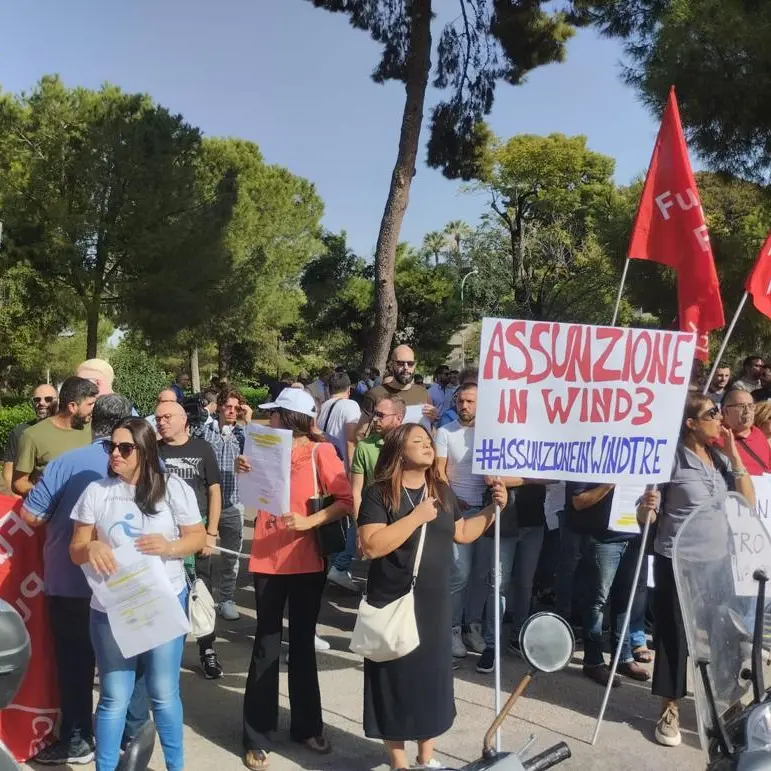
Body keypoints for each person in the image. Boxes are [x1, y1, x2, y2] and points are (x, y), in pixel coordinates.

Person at [358, 424, 506, 770]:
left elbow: (463, 533)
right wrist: (415, 518)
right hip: (394, 600)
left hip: (436, 604)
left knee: (431, 681)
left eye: (428, 441)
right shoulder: (380, 493)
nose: (427, 446)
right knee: (393, 679)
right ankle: (399, 762)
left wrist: (493, 510)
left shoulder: (441, 490)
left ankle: (427, 758)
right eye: (418, 441)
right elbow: (372, 544)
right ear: (398, 450)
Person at [69, 418, 206, 771]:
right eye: (110, 447)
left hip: (164, 599)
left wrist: (171, 546)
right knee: (115, 696)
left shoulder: (173, 489)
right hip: (112, 606)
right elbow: (76, 548)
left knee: (163, 693)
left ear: (145, 451)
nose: (115, 453)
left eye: (124, 448)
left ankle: (176, 766)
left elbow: (198, 538)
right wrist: (93, 546)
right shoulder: (96, 492)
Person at [241, 388, 353, 771]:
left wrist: (308, 522)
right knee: (265, 644)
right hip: (266, 558)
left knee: (302, 643)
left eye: (274, 413)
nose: (269, 419)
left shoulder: (321, 452)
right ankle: (257, 735)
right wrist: (244, 472)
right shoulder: (263, 448)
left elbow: (346, 501)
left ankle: (307, 726)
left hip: (307, 561)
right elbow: (252, 498)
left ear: (290, 418)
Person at [20, 394, 133, 765]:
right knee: (125, 663)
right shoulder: (144, 463)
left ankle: (78, 738)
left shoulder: (66, 463)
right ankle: (126, 735)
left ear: (91, 420)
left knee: (75, 663)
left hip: (70, 583)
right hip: (126, 582)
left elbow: (32, 516)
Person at [637, 393, 754, 747]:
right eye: (712, 413)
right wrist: (647, 506)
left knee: (725, 638)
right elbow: (646, 518)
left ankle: (726, 706)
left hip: (718, 565)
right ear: (691, 423)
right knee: (674, 637)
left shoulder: (719, 458)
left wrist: (734, 455)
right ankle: (669, 707)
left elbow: (746, 502)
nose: (720, 418)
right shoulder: (670, 460)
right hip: (677, 561)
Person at [156, 401, 224, 679]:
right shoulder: (153, 451)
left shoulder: (202, 448)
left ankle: (208, 650)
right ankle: (165, 656)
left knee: (202, 594)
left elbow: (214, 491)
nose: (160, 422)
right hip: (165, 537)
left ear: (184, 420)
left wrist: (211, 533)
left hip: (197, 533)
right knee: (167, 596)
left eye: (167, 417)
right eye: (158, 417)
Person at [566, 481, 650, 687]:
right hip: (604, 539)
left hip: (634, 537)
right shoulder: (595, 458)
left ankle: (623, 658)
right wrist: (609, 484)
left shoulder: (639, 459)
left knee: (625, 601)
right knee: (597, 602)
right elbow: (578, 501)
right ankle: (593, 662)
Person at [436, 383, 489, 658]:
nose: (464, 406)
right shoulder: (445, 432)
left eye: (470, 401)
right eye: (461, 401)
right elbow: (439, 472)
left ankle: (473, 626)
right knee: (461, 574)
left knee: (481, 576)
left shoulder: (492, 433)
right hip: (459, 513)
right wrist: (454, 501)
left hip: (488, 511)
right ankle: (452, 629)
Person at [477, 478, 546, 674]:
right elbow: (491, 478)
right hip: (505, 521)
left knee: (526, 584)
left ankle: (519, 637)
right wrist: (530, 475)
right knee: (498, 585)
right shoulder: (498, 444)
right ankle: (492, 644)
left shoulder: (540, 445)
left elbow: (554, 475)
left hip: (534, 521)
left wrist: (516, 479)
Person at [202, 389, 251, 620]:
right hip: (206, 502)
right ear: (220, 406)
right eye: (229, 406)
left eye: (237, 408)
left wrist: (248, 421)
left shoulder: (243, 434)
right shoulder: (205, 430)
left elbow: (257, 456)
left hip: (233, 502)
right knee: (203, 555)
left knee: (231, 556)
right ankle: (201, 598)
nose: (233, 411)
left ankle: (226, 599)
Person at [13, 376, 98, 497]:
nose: (93, 409)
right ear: (72, 406)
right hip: (51, 513)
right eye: (90, 404)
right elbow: (19, 483)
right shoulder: (32, 435)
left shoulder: (93, 429)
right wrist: (48, 497)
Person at [318, 372, 362, 592]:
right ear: (349, 389)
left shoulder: (324, 407)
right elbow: (352, 440)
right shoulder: (350, 406)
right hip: (343, 469)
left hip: (325, 469)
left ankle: (335, 565)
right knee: (356, 518)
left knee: (334, 519)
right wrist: (355, 472)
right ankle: (341, 566)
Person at [358, 346, 436, 439]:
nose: (406, 367)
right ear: (391, 365)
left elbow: (430, 431)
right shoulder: (375, 394)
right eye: (400, 363)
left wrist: (433, 419)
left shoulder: (423, 393)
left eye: (410, 363)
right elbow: (360, 434)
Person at [351, 397, 406, 518]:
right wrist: (358, 525)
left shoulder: (409, 445)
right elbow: (356, 492)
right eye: (375, 414)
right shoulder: (364, 446)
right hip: (374, 516)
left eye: (381, 415)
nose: (375, 419)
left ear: (398, 418)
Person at [2, 383, 58, 493]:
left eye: (48, 399)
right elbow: (8, 474)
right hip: (29, 498)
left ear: (58, 401)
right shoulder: (19, 432)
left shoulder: (69, 430)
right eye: (37, 399)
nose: (42, 403)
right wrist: (16, 500)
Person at [720, 387, 771, 474]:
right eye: (741, 406)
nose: (747, 411)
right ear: (726, 411)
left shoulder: (757, 433)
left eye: (751, 406)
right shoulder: (716, 437)